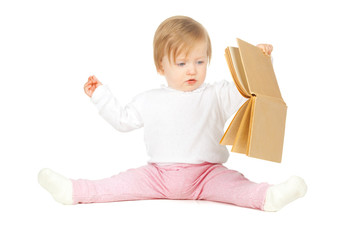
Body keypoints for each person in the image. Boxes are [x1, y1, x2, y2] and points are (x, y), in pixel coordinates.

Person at [38, 16, 307, 211]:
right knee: (115, 185)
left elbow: (248, 91)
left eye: (200, 61)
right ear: (161, 66)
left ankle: (268, 197)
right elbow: (122, 120)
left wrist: (260, 60)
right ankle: (73, 191)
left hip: (208, 175)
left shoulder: (216, 93)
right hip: (157, 175)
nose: (192, 70)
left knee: (238, 187)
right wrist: (100, 96)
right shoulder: (150, 99)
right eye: (182, 63)